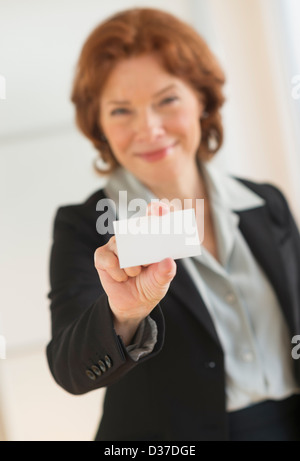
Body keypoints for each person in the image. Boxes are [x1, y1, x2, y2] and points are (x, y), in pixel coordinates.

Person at [46, 7, 300, 441]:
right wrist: (124, 315)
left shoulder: (265, 202)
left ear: (202, 100)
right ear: (100, 125)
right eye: (122, 110)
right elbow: (72, 370)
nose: (150, 128)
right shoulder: (86, 225)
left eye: (167, 100)